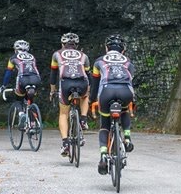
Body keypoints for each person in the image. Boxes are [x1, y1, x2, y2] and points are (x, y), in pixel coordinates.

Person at [89, 34, 135, 175]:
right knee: (125, 110)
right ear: (123, 50)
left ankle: (103, 155)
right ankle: (127, 138)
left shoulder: (99, 61)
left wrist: (92, 100)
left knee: (105, 125)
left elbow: (95, 85)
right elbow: (130, 81)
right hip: (125, 92)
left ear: (106, 48)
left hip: (107, 92)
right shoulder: (128, 62)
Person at [49, 32, 91, 157]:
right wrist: (89, 90)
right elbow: (88, 75)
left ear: (62, 44)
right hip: (82, 82)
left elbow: (53, 75)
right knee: (85, 95)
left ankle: (65, 143)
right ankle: (83, 119)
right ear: (76, 45)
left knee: (63, 113)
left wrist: (52, 91)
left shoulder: (57, 54)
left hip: (66, 83)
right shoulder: (84, 55)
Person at [0, 39, 41, 129]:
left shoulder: (13, 58)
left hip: (23, 79)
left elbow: (8, 73)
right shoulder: (32, 57)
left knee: (18, 99)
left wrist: (4, 86)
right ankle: (34, 124)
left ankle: (21, 114)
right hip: (36, 79)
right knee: (30, 99)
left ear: (15, 49)